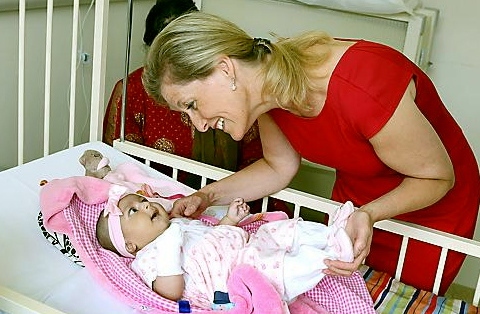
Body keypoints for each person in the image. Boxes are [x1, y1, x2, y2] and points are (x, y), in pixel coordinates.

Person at [141, 11, 480, 294]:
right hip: (361, 193)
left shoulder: (360, 88)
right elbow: (278, 166)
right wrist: (208, 196)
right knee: (346, 286)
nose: (198, 125)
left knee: (397, 293)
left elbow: (436, 175)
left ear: (225, 69)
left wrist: (371, 213)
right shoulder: (269, 93)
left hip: (430, 201)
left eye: (192, 105)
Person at [102, 0, 288, 215]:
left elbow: (263, 164)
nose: (200, 125)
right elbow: (118, 166)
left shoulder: (248, 98)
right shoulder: (132, 91)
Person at [95, 186, 356, 308]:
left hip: (249, 247)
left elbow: (213, 237)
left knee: (281, 230)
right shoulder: (148, 258)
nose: (146, 206)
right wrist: (168, 248)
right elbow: (171, 291)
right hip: (238, 279)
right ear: (131, 244)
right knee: (285, 269)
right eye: (134, 211)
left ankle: (332, 234)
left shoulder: (180, 224)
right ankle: (333, 255)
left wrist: (230, 219)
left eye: (142, 201)